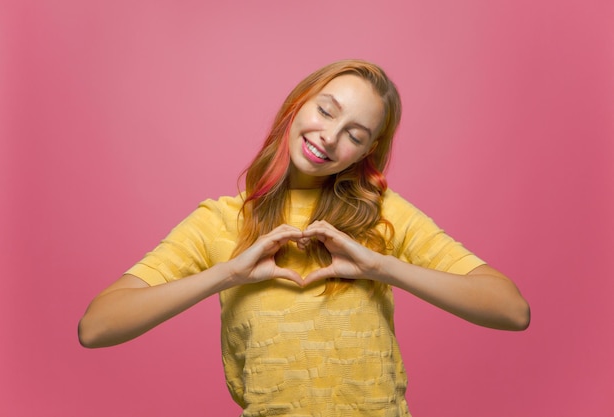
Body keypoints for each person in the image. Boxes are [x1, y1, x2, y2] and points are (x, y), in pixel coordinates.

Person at [78, 59, 530, 416]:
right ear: (299, 102)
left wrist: (380, 266)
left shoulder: (384, 214)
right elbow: (96, 327)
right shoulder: (220, 220)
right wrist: (227, 274)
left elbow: (511, 310)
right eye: (326, 110)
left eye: (355, 134)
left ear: (367, 151)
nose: (329, 137)